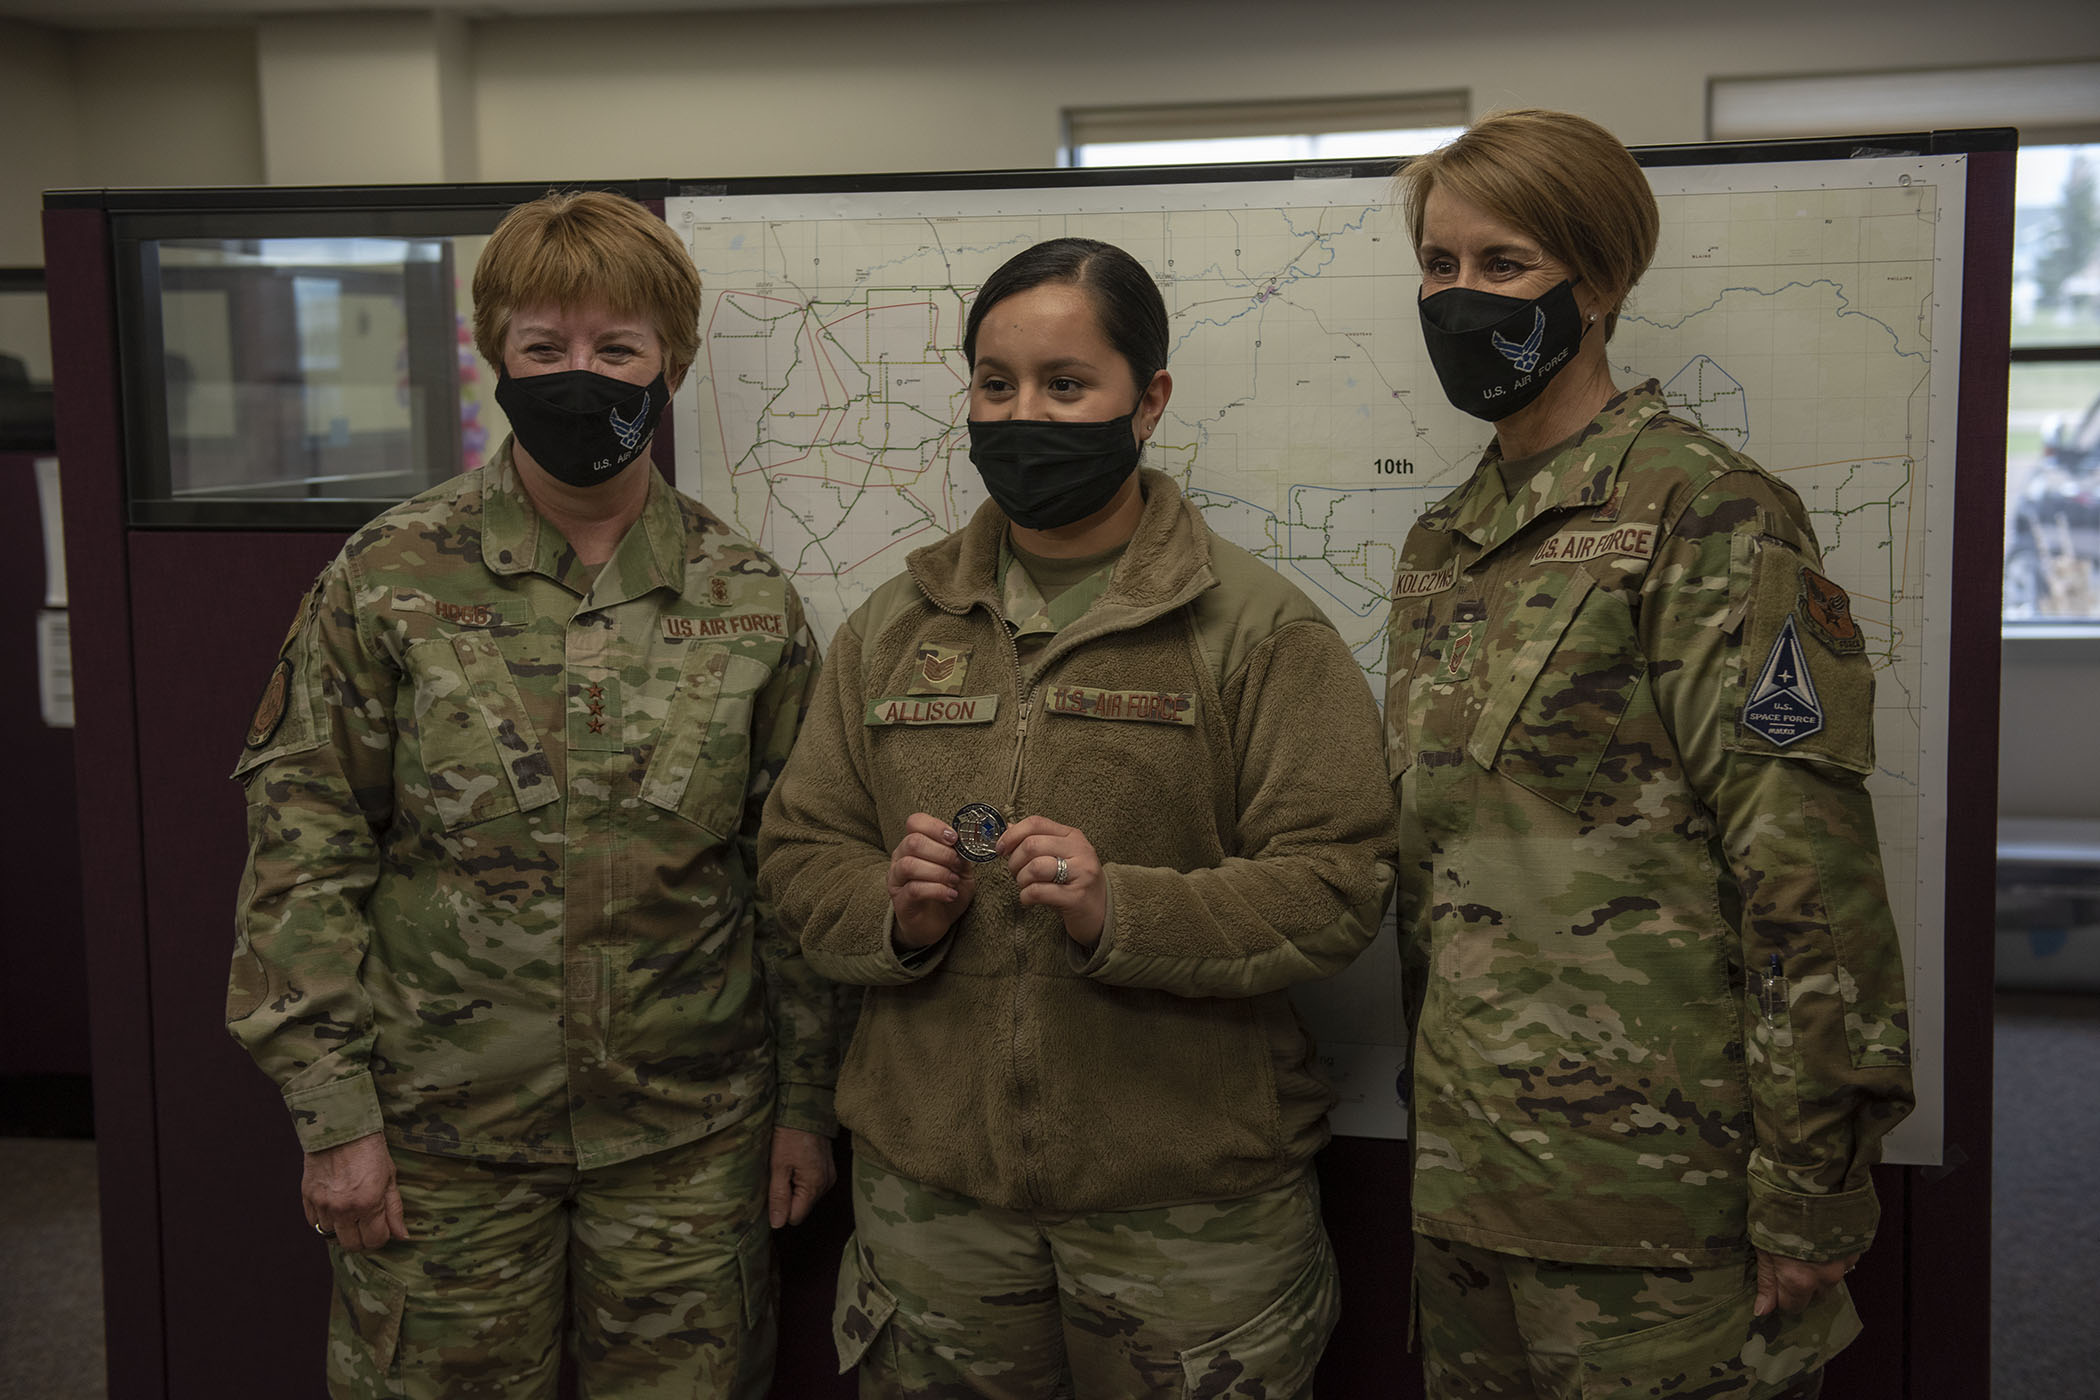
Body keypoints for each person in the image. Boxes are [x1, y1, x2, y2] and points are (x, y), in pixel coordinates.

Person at [757, 236, 1397, 1398]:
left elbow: (1337, 882)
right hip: (935, 1213)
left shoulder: (1257, 628)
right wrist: (893, 914)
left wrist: (1124, 912)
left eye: (1064, 384)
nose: (1023, 415)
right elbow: (801, 855)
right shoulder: (894, 625)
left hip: (1190, 1223)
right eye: (994, 384)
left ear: (1146, 400)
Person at [227, 190, 836, 1399]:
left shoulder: (749, 596)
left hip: (687, 1145)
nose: (579, 377)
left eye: (618, 349)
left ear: (673, 365)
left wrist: (806, 1102)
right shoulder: (389, 577)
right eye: (544, 347)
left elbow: (793, 876)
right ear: (495, 357)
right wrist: (334, 1115)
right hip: (440, 1144)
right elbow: (305, 851)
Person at [1383, 110, 1917, 1399]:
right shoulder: (1443, 541)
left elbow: (1807, 877)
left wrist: (1812, 1186)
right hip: (1470, 1187)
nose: (1460, 296)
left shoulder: (1708, 511)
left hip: (1664, 1208)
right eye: (1439, 264)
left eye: (1503, 264)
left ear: (1601, 282)